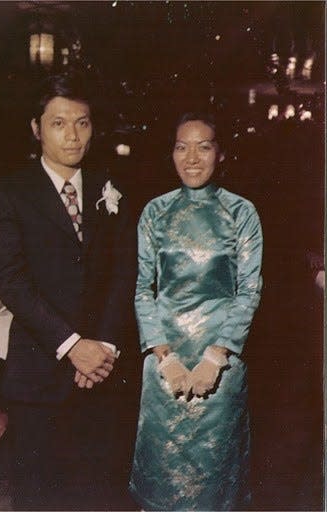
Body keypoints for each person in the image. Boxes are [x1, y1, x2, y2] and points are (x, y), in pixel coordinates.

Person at [0, 72, 136, 511]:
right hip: (38, 377)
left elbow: (125, 272)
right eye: (58, 123)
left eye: (83, 122)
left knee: (99, 493)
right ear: (36, 128)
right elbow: (12, 282)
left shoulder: (114, 186)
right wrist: (72, 346)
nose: (72, 135)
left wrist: (103, 348)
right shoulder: (9, 193)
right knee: (38, 497)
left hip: (104, 376)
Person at [129, 112, 263, 511]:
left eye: (203, 146)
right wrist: (163, 356)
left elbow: (250, 290)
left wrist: (216, 356)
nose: (191, 157)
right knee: (163, 481)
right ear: (170, 153)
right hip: (164, 363)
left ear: (220, 153)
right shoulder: (155, 211)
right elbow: (142, 289)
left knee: (214, 482)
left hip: (219, 364)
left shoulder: (241, 212)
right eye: (181, 146)